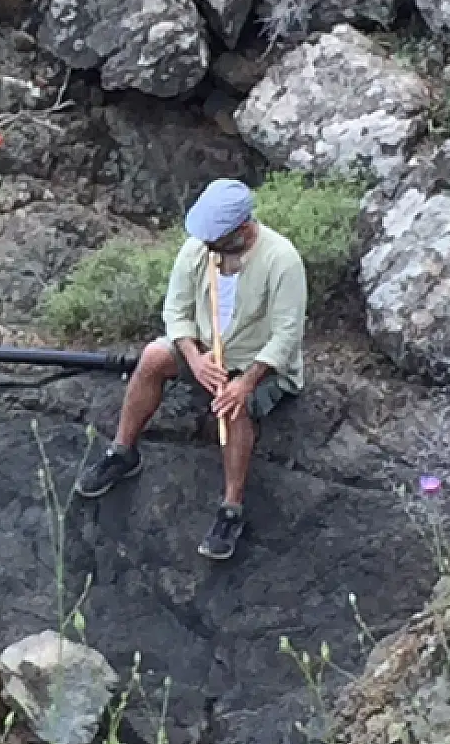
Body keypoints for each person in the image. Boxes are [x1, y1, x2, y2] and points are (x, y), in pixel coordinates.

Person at [73, 177, 307, 561]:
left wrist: (246, 383)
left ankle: (231, 508)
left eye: (218, 241)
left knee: (232, 405)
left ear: (243, 229)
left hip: (257, 364)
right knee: (153, 356)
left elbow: (286, 337)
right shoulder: (200, 248)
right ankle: (122, 451)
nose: (209, 248)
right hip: (204, 351)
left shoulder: (282, 260)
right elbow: (175, 312)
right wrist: (194, 358)